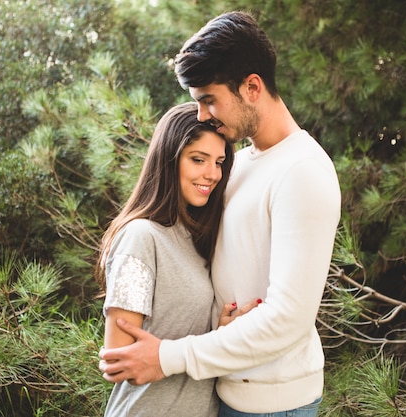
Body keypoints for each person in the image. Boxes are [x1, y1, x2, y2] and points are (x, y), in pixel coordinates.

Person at [99, 11, 341, 417]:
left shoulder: (304, 171)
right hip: (219, 394)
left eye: (208, 100)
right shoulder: (237, 163)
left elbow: (287, 319)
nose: (201, 116)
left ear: (251, 87)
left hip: (273, 403)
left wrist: (170, 356)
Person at [97, 102, 236, 416]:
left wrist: (220, 335)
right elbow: (119, 361)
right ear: (168, 160)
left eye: (219, 162)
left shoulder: (194, 237)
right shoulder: (141, 237)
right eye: (198, 159)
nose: (212, 174)